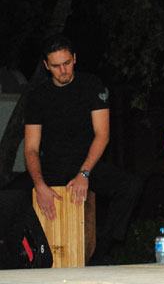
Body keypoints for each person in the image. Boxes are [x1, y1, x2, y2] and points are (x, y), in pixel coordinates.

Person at [8, 34, 142, 265]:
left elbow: (103, 134)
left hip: (86, 164)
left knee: (131, 185)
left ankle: (100, 254)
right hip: (51, 166)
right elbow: (30, 148)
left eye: (67, 63)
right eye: (57, 66)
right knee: (8, 198)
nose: (63, 70)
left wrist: (84, 173)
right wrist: (40, 185)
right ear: (46, 66)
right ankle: (25, 259)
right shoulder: (38, 97)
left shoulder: (92, 86)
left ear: (75, 59)